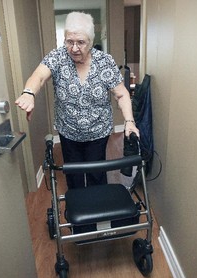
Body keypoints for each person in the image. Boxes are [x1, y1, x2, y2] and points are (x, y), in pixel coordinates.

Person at [15, 11, 139, 189]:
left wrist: (129, 121)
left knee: (97, 174)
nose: (74, 48)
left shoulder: (104, 61)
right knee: (74, 175)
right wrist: (29, 93)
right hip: (68, 131)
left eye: (80, 42)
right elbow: (39, 76)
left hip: (98, 132)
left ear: (90, 41)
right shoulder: (58, 57)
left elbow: (121, 94)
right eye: (69, 41)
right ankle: (77, 211)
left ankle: (96, 211)